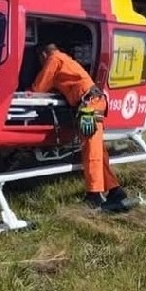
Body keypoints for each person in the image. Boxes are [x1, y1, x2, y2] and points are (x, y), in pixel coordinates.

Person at [31, 42, 131, 212]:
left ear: (43, 55)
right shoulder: (65, 59)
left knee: (91, 150)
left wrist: (29, 89)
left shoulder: (54, 59)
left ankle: (94, 195)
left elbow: (39, 86)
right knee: (98, 150)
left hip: (88, 108)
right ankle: (115, 190)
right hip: (94, 103)